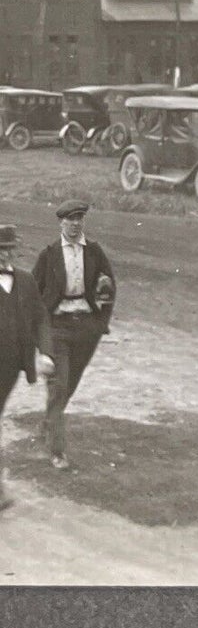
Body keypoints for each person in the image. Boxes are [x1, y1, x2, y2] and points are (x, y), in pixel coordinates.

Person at [32, 199, 116, 471]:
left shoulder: (94, 251)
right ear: (61, 223)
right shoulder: (49, 255)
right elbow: (33, 296)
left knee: (70, 384)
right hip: (57, 327)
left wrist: (101, 322)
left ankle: (48, 422)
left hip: (86, 328)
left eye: (79, 218)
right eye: (70, 219)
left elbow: (109, 287)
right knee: (58, 386)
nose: (75, 224)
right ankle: (57, 450)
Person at [0, 223, 49, 510]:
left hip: (12, 367)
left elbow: (41, 318)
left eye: (9, 250)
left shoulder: (26, 281)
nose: (4, 257)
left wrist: (47, 354)